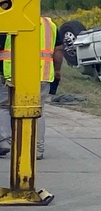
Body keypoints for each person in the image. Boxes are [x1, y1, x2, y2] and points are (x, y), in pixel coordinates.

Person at [0, 17, 63, 160]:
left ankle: (4, 141)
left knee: (3, 106)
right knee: (37, 110)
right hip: (41, 74)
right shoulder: (49, 24)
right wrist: (58, 70)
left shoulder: (7, 19)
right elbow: (58, 51)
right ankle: (37, 149)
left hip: (12, 73)